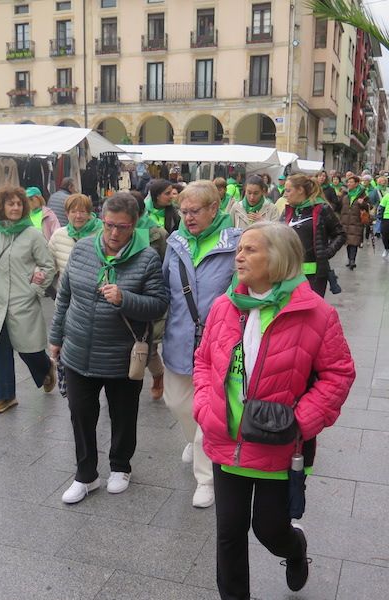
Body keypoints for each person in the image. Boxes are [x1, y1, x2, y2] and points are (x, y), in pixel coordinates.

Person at [193, 221, 355, 600]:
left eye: (251, 249)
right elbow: (202, 361)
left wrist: (299, 422)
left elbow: (338, 374)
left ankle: (294, 548)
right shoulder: (224, 306)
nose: (239, 255)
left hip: (279, 445)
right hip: (225, 438)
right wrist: (204, 406)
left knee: (269, 530)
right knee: (229, 533)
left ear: (279, 258)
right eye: (240, 249)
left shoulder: (316, 313)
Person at [50, 193, 168, 504]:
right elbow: (65, 296)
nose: (114, 233)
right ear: (102, 221)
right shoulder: (84, 249)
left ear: (135, 225)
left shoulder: (147, 258)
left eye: (123, 227)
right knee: (80, 415)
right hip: (78, 350)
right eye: (109, 225)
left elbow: (158, 305)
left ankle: (120, 466)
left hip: (120, 354)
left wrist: (124, 299)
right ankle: (85, 475)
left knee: (123, 413)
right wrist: (56, 336)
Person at [162, 180, 241, 509]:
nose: (188, 217)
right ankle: (194, 441)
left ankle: (206, 479)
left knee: (210, 411)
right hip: (178, 337)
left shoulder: (236, 242)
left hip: (218, 341)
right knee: (177, 402)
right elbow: (165, 285)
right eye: (184, 211)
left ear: (214, 208)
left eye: (195, 211)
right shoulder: (175, 241)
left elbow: (242, 291)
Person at [0, 185, 57, 414]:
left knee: (30, 349)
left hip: (23, 302)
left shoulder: (32, 234)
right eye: (10, 203)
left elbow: (48, 265)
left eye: (19, 203)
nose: (15, 207)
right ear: (1, 206)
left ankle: (45, 368)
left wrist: (35, 288)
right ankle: (5, 396)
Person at [283, 174, 345, 297]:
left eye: (288, 190)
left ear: (300, 190)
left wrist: (326, 252)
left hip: (314, 278)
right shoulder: (289, 210)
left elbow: (340, 234)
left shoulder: (322, 209)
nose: (285, 194)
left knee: (311, 313)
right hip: (289, 274)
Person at [133, 191, 168, 399]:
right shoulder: (114, 230)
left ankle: (158, 374)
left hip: (148, 297)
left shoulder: (157, 233)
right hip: (122, 296)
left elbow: (165, 266)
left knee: (149, 347)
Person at [48, 193, 102, 281]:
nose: (78, 216)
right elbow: (49, 265)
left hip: (94, 290)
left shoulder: (101, 234)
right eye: (73, 211)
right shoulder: (58, 235)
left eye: (82, 211)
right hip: (66, 292)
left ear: (89, 213)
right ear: (67, 214)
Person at [338, 175, 370, 270]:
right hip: (345, 222)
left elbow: (369, 207)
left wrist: (363, 203)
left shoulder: (363, 195)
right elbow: (339, 207)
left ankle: (352, 260)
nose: (349, 184)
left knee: (354, 242)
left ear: (356, 183)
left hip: (356, 222)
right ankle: (350, 259)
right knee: (348, 242)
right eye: (348, 182)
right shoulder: (345, 195)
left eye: (351, 182)